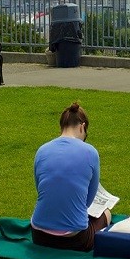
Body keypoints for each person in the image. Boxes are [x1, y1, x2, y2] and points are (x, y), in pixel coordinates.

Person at [31, 102, 112, 251]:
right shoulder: (90, 152)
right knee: (106, 213)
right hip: (75, 238)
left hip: (38, 234)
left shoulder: (42, 150)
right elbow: (87, 203)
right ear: (82, 126)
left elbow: (40, 189)